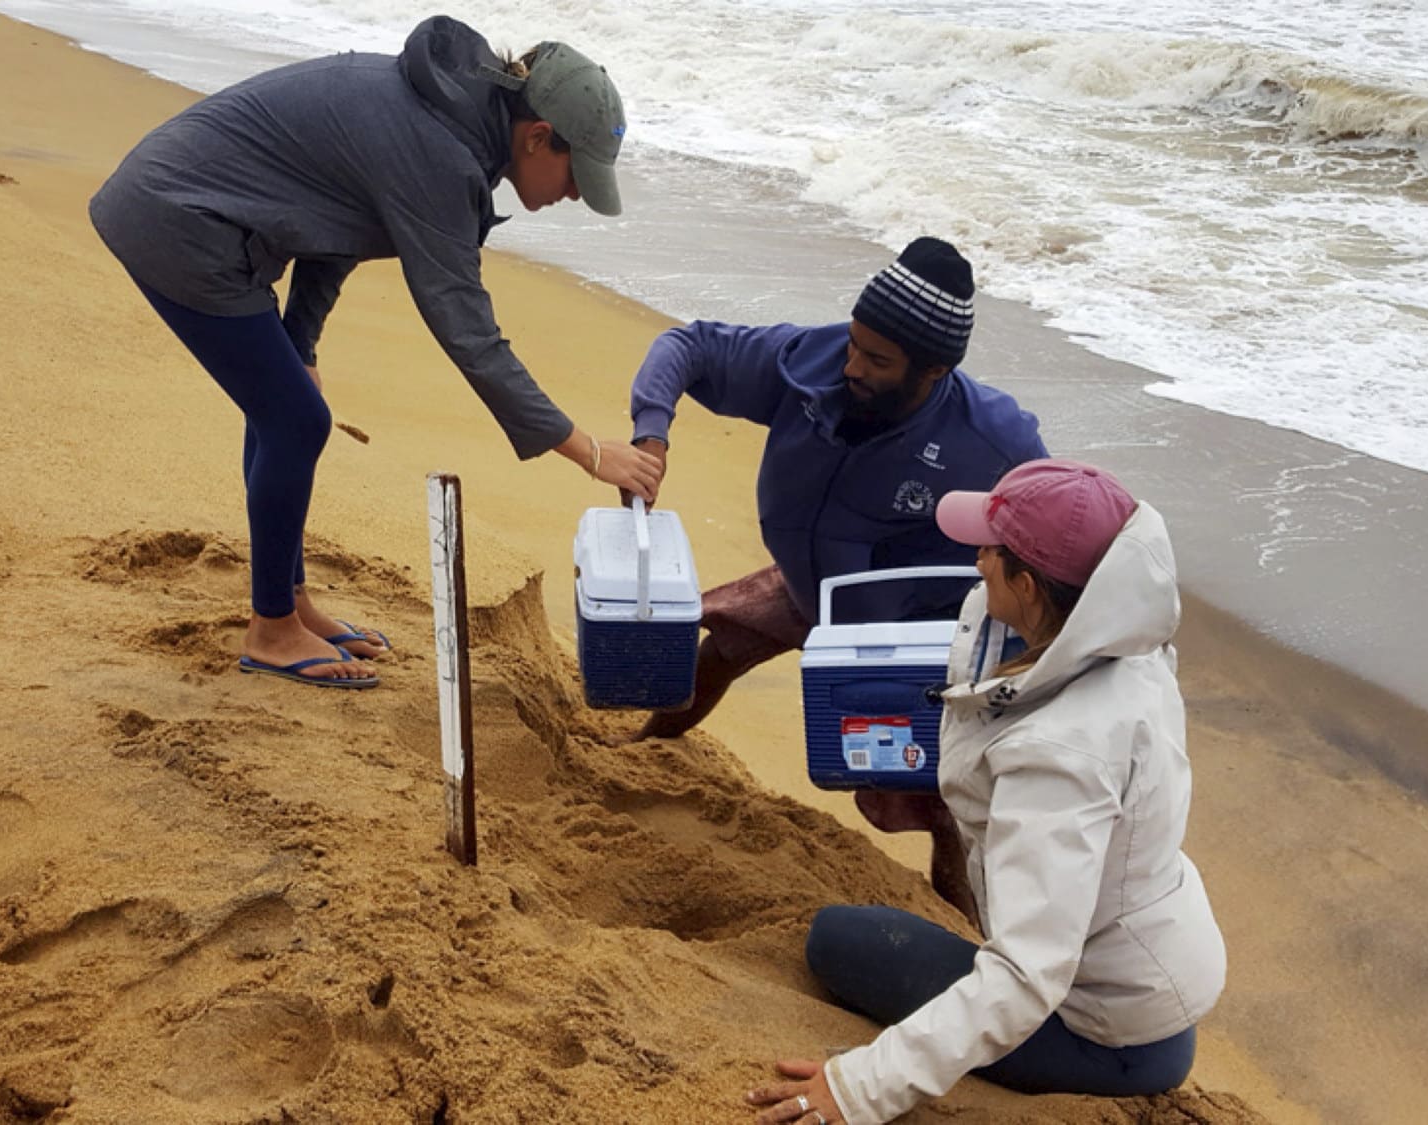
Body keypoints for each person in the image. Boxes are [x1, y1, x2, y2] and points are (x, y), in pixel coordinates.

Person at [89, 15, 661, 689]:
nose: (573, 196)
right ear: (537, 137)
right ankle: (271, 628)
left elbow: (338, 218)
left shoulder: (449, 117)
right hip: (178, 222)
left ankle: (289, 602)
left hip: (203, 218)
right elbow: (467, 329)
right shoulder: (441, 154)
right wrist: (588, 450)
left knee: (287, 407)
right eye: (575, 178)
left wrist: (299, 342)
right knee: (295, 420)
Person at [743, 460, 1226, 1125]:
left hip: (1105, 1033)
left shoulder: (1060, 757)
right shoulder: (1126, 642)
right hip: (1147, 973)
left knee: (837, 941)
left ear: (1027, 584)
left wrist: (859, 1087)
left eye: (991, 551)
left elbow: (1030, 974)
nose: (975, 561)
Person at [625, 237, 1046, 738]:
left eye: (878, 361)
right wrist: (650, 435)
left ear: (934, 370)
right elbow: (688, 346)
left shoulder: (995, 440)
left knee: (908, 772)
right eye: (854, 343)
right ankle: (650, 744)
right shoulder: (811, 362)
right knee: (722, 646)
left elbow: (1060, 535)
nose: (852, 367)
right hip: (804, 582)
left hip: (903, 623)